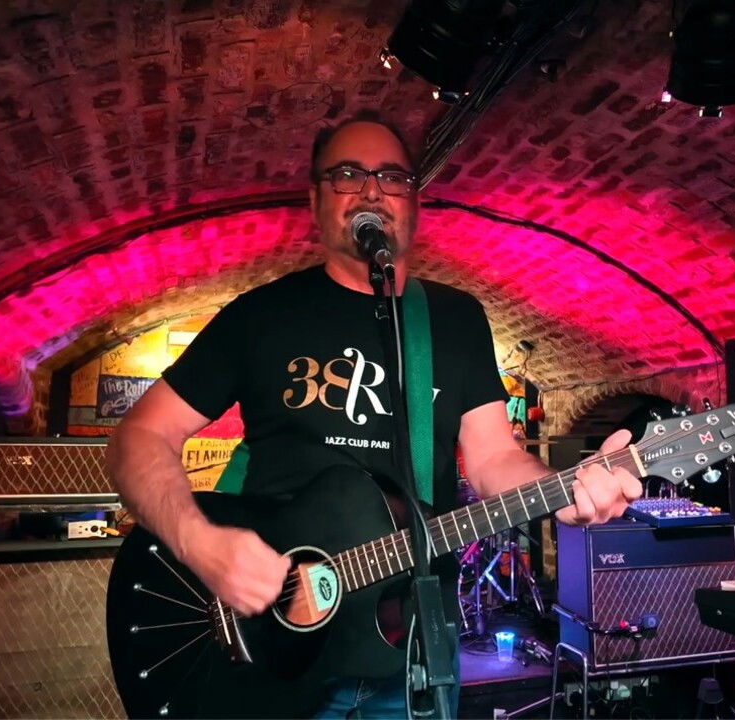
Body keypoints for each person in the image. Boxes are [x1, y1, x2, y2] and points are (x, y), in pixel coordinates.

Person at [105, 111, 642, 718]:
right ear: (315, 200)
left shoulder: (454, 319)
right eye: (347, 174)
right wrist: (199, 543)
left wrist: (564, 492)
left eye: (392, 176)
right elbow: (139, 435)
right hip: (270, 645)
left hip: (408, 648)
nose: (371, 190)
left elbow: (493, 459)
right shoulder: (262, 316)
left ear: (414, 203)